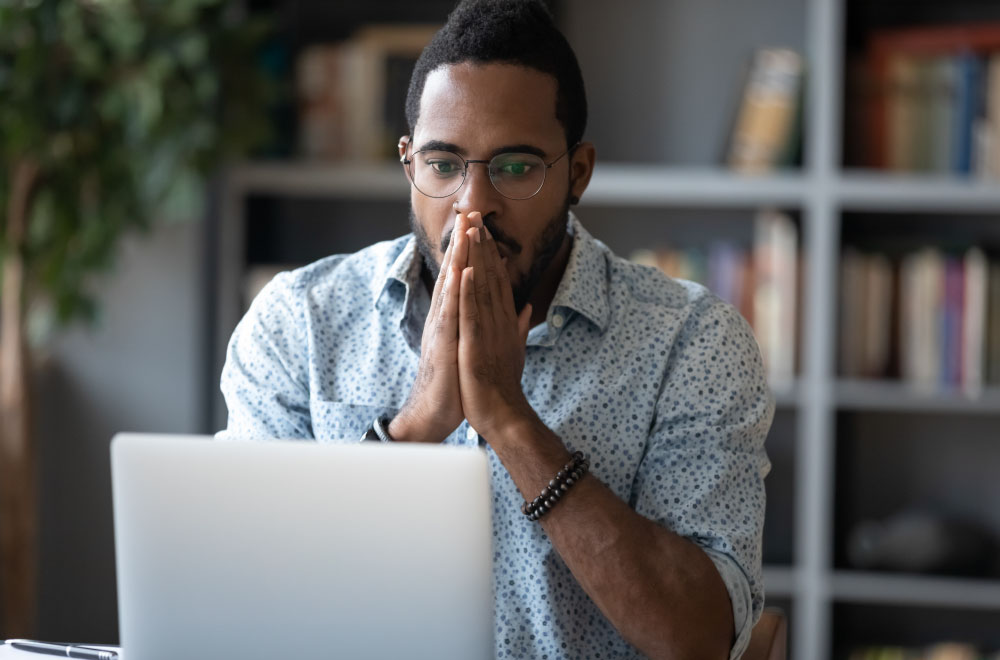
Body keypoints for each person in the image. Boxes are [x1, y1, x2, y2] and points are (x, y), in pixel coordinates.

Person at [218, 0, 773, 657]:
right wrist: (419, 423)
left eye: (515, 168)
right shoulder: (298, 323)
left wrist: (510, 421)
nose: (473, 206)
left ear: (578, 173)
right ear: (408, 163)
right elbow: (243, 598)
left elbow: (698, 638)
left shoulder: (694, 342)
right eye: (444, 165)